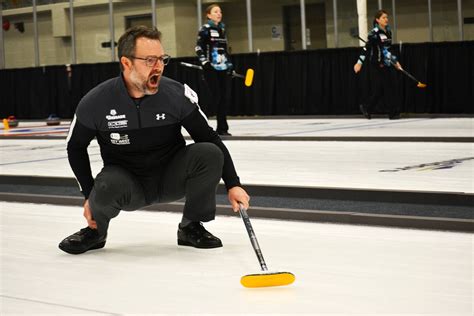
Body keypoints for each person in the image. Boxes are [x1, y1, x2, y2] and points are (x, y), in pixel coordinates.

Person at [59, 26, 250, 255]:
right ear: (126, 63)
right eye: (150, 60)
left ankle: (191, 227)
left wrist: (233, 183)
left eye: (161, 59)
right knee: (105, 186)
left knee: (208, 153)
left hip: (171, 176)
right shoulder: (96, 101)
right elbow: (75, 147)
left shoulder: (176, 94)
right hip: (127, 184)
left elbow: (208, 137)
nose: (158, 66)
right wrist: (89, 195)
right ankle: (95, 230)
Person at [354, 9, 403, 120]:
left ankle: (367, 108)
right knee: (387, 87)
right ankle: (392, 113)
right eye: (383, 17)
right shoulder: (374, 33)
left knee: (383, 88)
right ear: (377, 20)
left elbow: (388, 49)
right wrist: (359, 63)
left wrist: (395, 62)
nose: (386, 19)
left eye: (387, 17)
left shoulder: (388, 31)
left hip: (386, 62)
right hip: (377, 64)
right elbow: (366, 48)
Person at [195, 4, 233, 136]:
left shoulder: (222, 28)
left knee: (224, 98)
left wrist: (229, 66)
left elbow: (225, 49)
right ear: (208, 15)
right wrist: (204, 62)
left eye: (220, 11)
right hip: (211, 68)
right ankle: (200, 126)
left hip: (223, 68)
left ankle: (222, 128)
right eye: (216, 11)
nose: (219, 14)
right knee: (213, 97)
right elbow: (198, 48)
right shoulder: (205, 29)